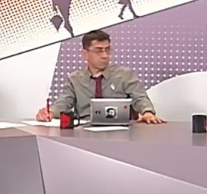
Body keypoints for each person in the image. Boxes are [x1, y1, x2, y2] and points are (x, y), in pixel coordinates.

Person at [36, 30, 165, 124]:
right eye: (98, 50)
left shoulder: (124, 75)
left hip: (121, 131)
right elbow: (63, 104)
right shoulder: (74, 79)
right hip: (84, 132)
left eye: (107, 50)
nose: (105, 55)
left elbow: (140, 98)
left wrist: (147, 112)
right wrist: (49, 113)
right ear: (85, 54)